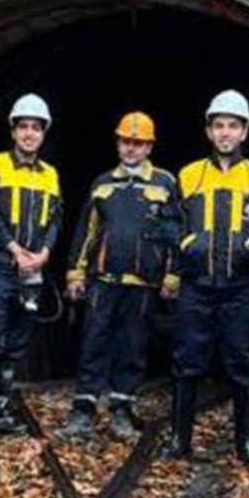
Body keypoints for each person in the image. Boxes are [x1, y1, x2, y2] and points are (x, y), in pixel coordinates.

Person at [60, 112, 181, 442]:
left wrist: (172, 276)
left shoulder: (164, 183)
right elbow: (86, 232)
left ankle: (122, 411)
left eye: (138, 143)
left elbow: (175, 234)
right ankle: (83, 410)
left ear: (149, 146)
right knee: (93, 342)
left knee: (133, 347)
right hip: (104, 281)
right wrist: (75, 273)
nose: (131, 149)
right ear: (118, 143)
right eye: (126, 141)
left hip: (143, 284)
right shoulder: (102, 184)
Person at [162, 90, 249, 462]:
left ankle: (245, 443)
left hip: (242, 285)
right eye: (218, 125)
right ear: (208, 131)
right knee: (186, 361)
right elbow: (170, 222)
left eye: (232, 126)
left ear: (245, 132)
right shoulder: (188, 175)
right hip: (198, 285)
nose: (225, 133)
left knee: (245, 363)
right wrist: (189, 244)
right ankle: (180, 439)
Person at [0, 94, 62, 446]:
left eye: (36, 128)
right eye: (24, 127)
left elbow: (55, 217)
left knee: (15, 344)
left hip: (31, 271)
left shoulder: (50, 175)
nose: (29, 134)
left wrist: (45, 253)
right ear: (13, 130)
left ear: (43, 133)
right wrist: (15, 249)